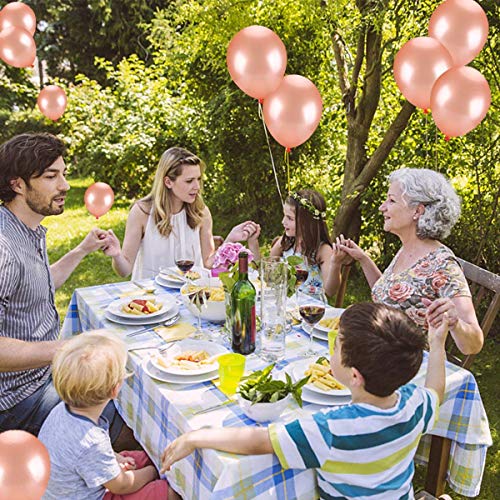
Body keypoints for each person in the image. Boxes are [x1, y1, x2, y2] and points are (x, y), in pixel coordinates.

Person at [160, 302, 448, 499]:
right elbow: (436, 390)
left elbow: (256, 441)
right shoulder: (415, 404)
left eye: (336, 345)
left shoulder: (329, 429)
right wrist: (437, 345)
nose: (331, 349)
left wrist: (197, 437)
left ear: (355, 376)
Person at [0, 133, 130, 447]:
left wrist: (81, 250)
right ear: (17, 184)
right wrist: (71, 349)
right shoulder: (4, 247)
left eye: (64, 174)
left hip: (43, 376)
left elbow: (36, 284)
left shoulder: (25, 229)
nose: (65, 186)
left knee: (130, 391)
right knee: (131, 416)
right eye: (51, 176)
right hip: (19, 401)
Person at [336, 167, 483, 355]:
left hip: (411, 368)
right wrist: (364, 259)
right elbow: (389, 296)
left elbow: (474, 344)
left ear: (418, 211)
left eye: (391, 200)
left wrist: (455, 323)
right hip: (381, 352)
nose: (382, 207)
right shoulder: (406, 249)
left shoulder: (443, 265)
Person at [39, 330, 179, 499]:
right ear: (115, 390)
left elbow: (84, 455)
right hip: (98, 494)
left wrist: (116, 457)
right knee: (165, 491)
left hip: (73, 484)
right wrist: (151, 472)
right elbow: (122, 485)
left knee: (146, 457)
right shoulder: (91, 440)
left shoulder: (61, 411)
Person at [103, 146, 260, 280]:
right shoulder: (142, 212)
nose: (197, 186)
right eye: (189, 181)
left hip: (191, 298)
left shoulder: (201, 212)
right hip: (151, 302)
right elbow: (124, 271)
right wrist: (116, 254)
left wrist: (230, 239)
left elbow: (209, 263)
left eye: (198, 179)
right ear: (168, 182)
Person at [252, 189, 346, 297]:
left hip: (311, 309)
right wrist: (253, 242)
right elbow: (266, 273)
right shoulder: (285, 242)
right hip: (287, 307)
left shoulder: (322, 250)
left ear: (307, 222)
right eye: (284, 215)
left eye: (290, 218)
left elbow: (330, 291)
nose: (283, 222)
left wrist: (336, 264)